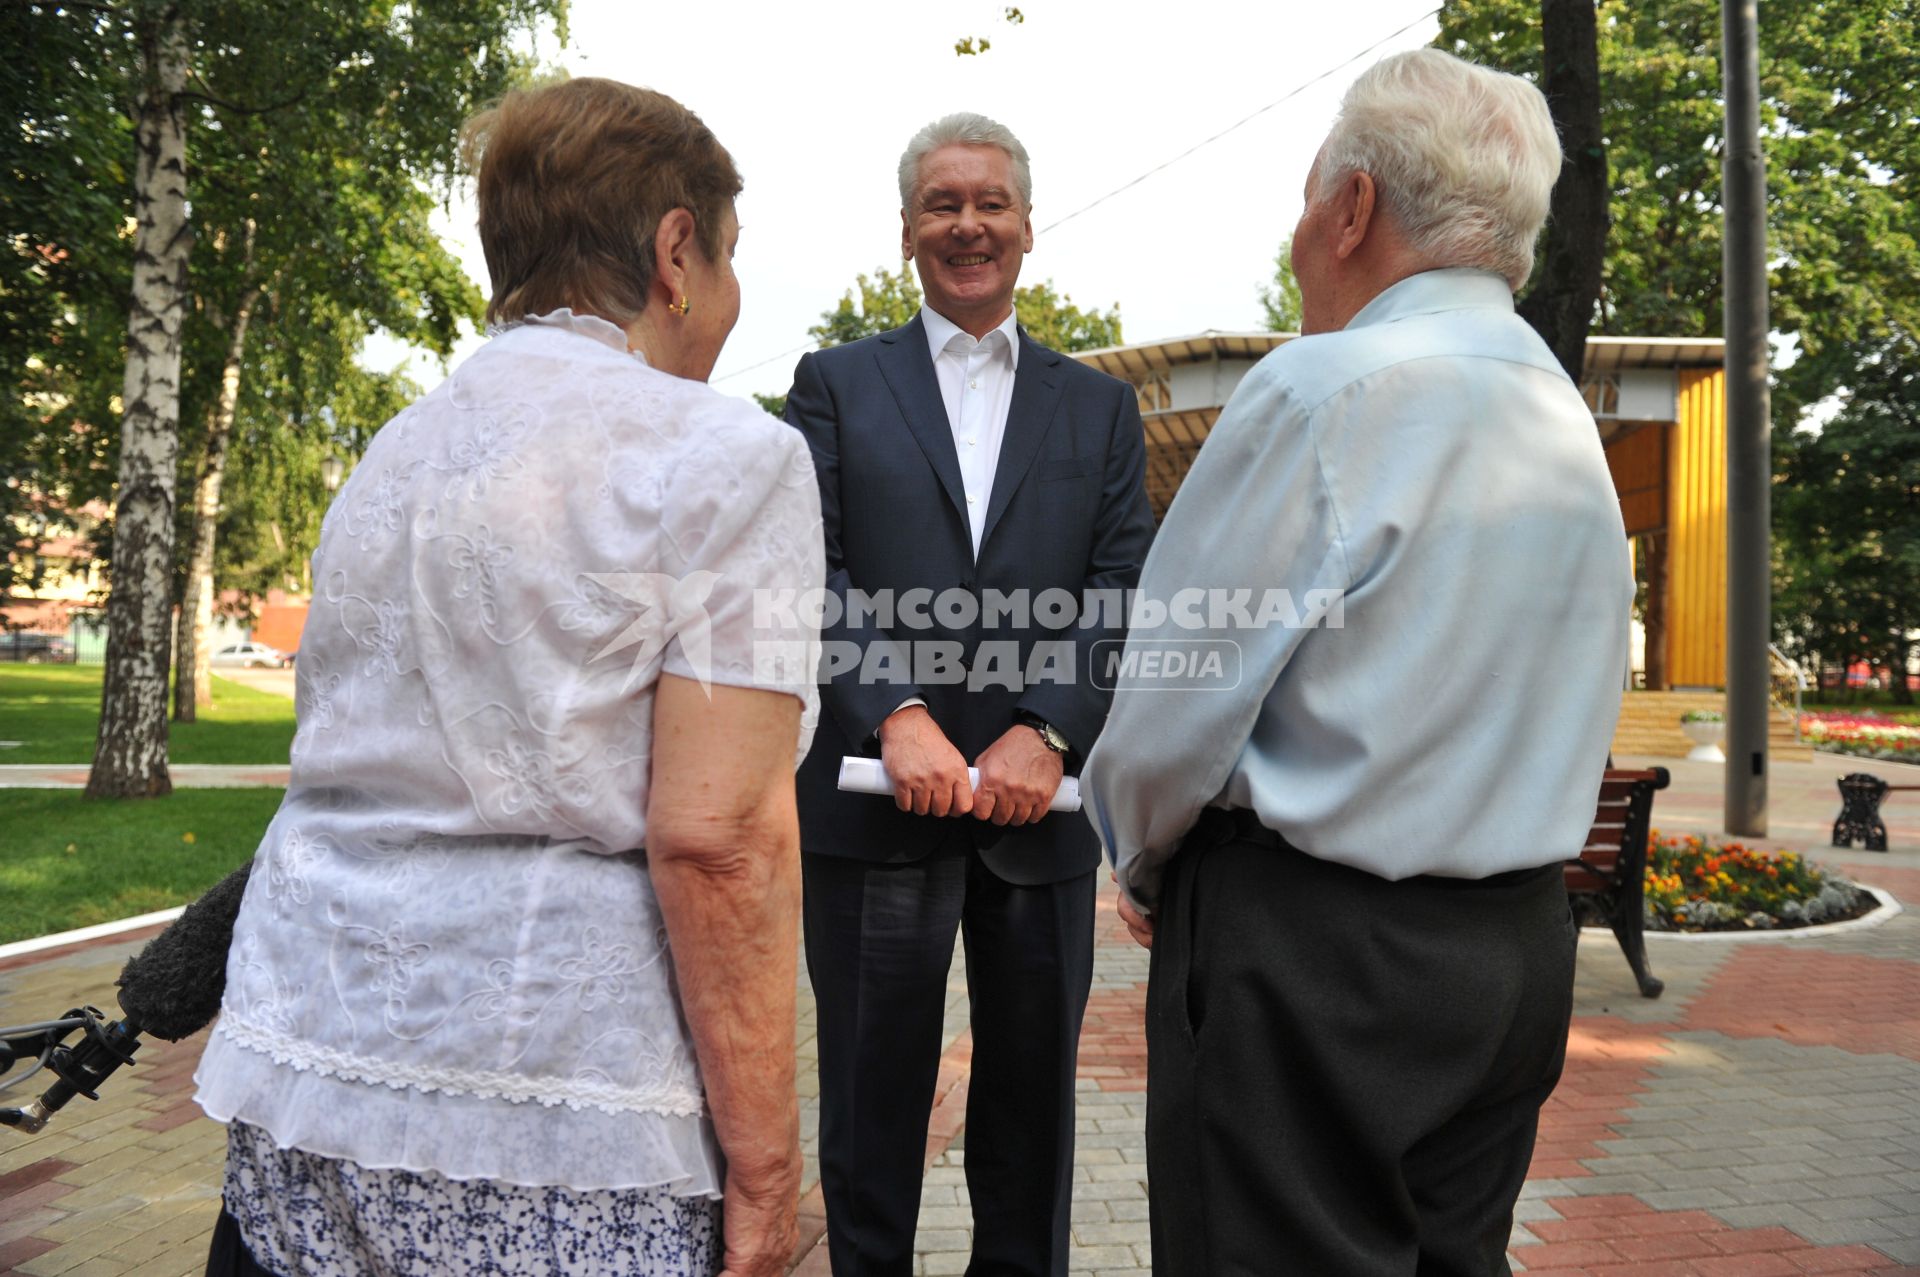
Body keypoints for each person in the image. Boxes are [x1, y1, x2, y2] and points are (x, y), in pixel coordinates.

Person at [192, 78, 824, 1277]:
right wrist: (768, 1166)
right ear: (675, 250)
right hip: (558, 1121)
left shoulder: (394, 451)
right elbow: (722, 837)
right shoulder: (728, 454)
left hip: (307, 1083)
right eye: (729, 258)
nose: (729, 303)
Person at [1082, 48, 1634, 1276]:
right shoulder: (1558, 411)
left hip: (1318, 957)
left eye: (1306, 202)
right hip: (1512, 950)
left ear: (1352, 208)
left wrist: (1142, 847)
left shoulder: (1324, 390)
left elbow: (1181, 689)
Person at [781, 112, 1155, 1276]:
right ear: (906, 231)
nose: (968, 223)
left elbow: (1119, 585)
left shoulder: (1095, 406)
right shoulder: (833, 385)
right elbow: (809, 568)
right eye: (943, 203)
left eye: (991, 201)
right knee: (870, 1110)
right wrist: (893, 712)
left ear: (1030, 227)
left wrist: (1049, 729)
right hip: (872, 803)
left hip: (1037, 825)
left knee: (1031, 1122)